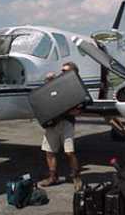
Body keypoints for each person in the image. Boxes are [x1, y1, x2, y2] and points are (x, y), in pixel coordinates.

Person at [39, 62, 82, 191]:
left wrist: (64, 110)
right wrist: (48, 82)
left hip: (66, 123)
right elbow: (44, 97)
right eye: (62, 70)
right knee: (49, 152)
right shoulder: (56, 84)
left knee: (69, 152)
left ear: (73, 73)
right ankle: (53, 177)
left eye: (66, 71)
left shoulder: (76, 87)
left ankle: (76, 177)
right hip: (52, 123)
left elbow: (78, 110)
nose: (62, 73)